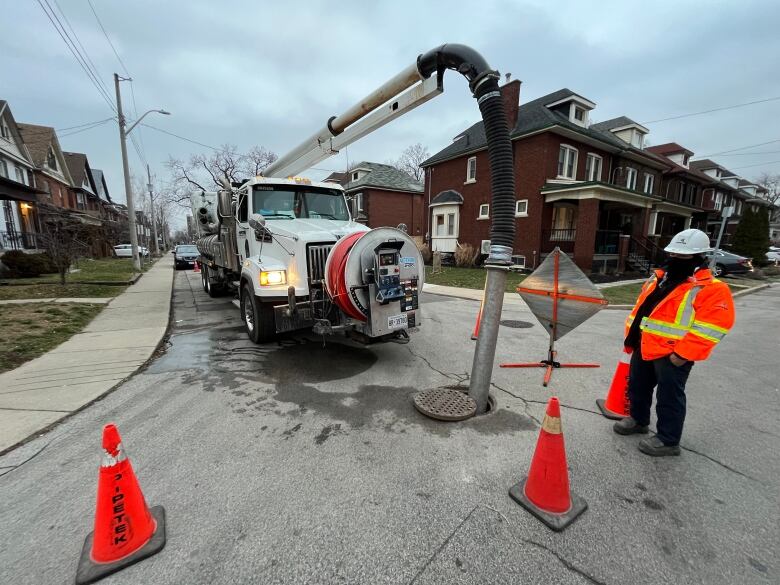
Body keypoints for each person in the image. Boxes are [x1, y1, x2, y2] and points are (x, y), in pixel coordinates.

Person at [614, 229, 735, 456]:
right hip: (645, 344)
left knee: (669, 397)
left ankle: (668, 440)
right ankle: (639, 421)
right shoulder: (661, 277)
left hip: (673, 353)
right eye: (673, 254)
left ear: (699, 257)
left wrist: (682, 355)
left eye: (683, 256)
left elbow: (713, 328)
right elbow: (643, 309)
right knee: (637, 387)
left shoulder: (712, 289)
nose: (676, 259)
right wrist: (632, 339)